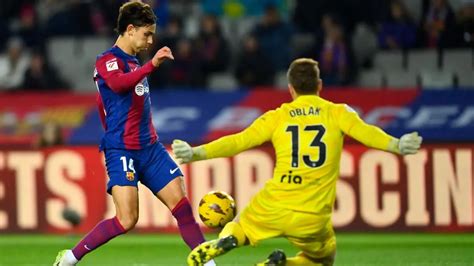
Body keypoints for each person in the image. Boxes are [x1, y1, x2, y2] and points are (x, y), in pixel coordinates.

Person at [172, 58, 423, 266]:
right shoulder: (338, 113)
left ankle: (228, 240)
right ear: (320, 85)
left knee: (239, 226)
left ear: (291, 88)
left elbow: (239, 141)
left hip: (273, 204)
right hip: (313, 215)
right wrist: (397, 145)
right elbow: (368, 132)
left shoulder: (278, 117)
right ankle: (282, 264)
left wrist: (196, 153)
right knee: (323, 259)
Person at [54, 2, 215, 266]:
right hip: (122, 151)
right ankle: (70, 257)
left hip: (150, 149)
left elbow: (103, 104)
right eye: (146, 34)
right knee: (127, 220)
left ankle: (209, 263)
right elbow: (117, 86)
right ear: (130, 29)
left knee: (183, 207)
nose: (151, 40)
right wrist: (152, 65)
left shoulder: (133, 62)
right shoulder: (107, 60)